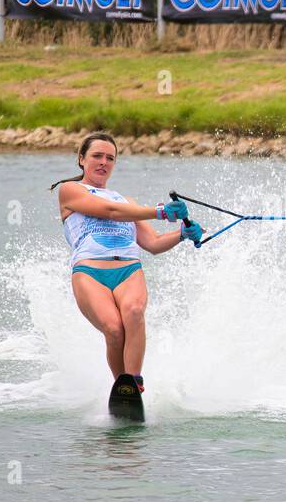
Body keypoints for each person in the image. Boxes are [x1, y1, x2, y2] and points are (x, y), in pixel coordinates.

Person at [50, 132, 203, 392]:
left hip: (128, 269)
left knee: (133, 312)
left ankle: (134, 383)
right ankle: (122, 388)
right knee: (113, 329)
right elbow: (110, 212)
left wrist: (182, 234)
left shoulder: (127, 201)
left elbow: (153, 243)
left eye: (110, 158)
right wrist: (160, 211)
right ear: (81, 159)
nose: (103, 162)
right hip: (89, 272)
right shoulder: (70, 190)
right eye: (97, 156)